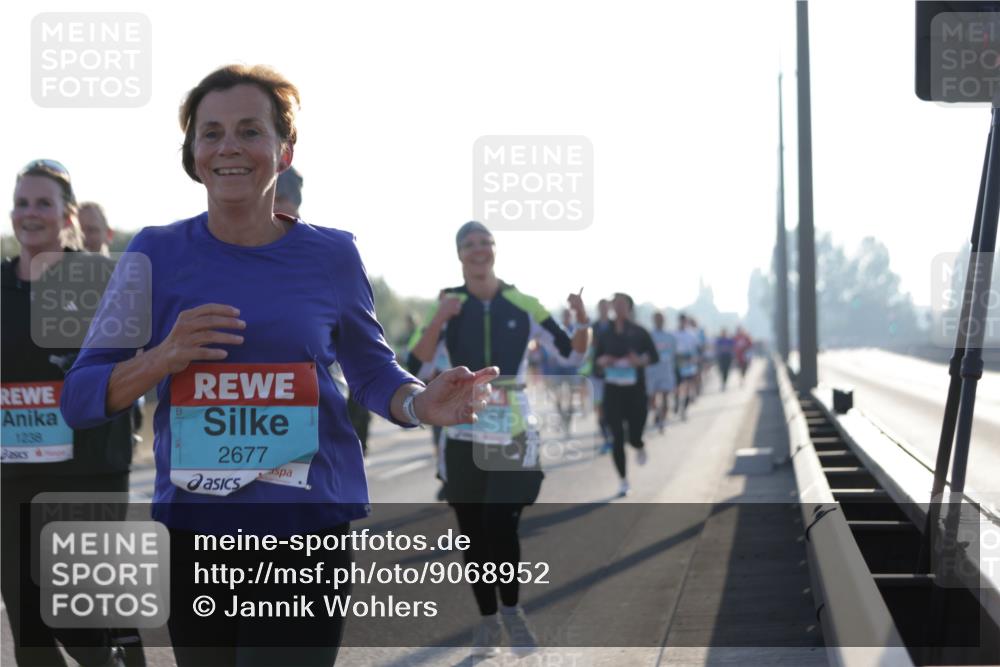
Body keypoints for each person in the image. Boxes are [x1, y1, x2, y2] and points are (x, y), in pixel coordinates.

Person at [60, 65, 497, 667]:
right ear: (192, 154)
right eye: (210, 133)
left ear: (284, 149)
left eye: (249, 130)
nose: (228, 146)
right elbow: (80, 397)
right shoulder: (154, 252)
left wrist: (420, 402)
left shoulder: (331, 254)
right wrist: (163, 357)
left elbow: (371, 371)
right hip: (197, 532)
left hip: (305, 526)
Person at [409, 221, 589, 657]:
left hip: (512, 427)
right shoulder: (449, 301)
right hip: (463, 429)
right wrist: (438, 318)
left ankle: (511, 611)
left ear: (495, 249)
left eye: (485, 242)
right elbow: (416, 362)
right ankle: (489, 621)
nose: (478, 250)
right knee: (472, 532)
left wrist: (583, 320)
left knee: (498, 522)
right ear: (459, 254)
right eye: (469, 244)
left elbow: (573, 352)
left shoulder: (522, 301)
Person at [2, 160, 142, 666]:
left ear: (67, 216)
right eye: (22, 203)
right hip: (13, 473)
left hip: (92, 468)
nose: (29, 213)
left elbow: (142, 357)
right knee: (28, 621)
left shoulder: (102, 278)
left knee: (78, 615)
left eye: (43, 203)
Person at [273, 166, 372, 454]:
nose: (275, 205)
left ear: (297, 201)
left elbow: (365, 348)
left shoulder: (328, 255)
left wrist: (412, 402)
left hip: (326, 406)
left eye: (282, 197)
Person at [594, 293, 658, 497]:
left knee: (633, 435)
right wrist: (603, 361)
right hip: (613, 391)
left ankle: (638, 444)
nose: (618, 308)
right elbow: (596, 363)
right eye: (616, 305)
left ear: (629, 307)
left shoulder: (639, 332)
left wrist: (639, 361)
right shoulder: (605, 334)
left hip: (635, 390)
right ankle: (623, 479)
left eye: (622, 304)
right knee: (617, 437)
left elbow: (653, 356)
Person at [645, 311, 677, 433]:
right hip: (651, 371)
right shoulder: (649, 335)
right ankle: (657, 413)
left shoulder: (670, 337)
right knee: (651, 398)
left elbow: (673, 355)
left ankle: (662, 421)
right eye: (657, 319)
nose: (659, 321)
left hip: (666, 371)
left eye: (661, 319)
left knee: (665, 397)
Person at [673, 313, 699, 420]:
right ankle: (677, 402)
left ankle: (684, 409)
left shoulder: (691, 334)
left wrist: (694, 359)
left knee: (688, 386)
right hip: (678, 361)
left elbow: (696, 348)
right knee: (678, 386)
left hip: (689, 361)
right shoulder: (674, 334)